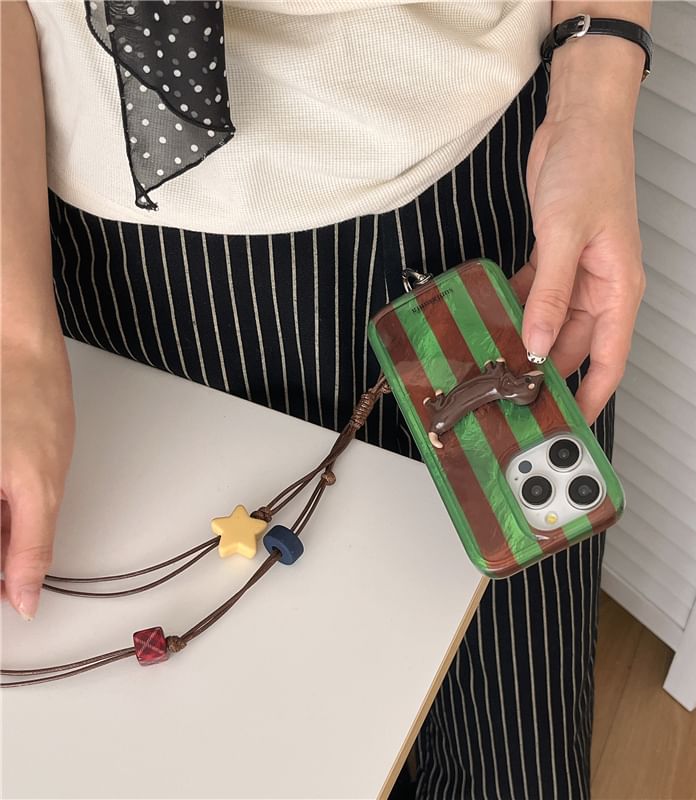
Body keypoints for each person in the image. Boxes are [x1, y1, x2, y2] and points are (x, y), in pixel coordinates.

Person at [1, 1, 649, 796]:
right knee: (239, 749)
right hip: (126, 262)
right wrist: (15, 340)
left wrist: (597, 91)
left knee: (510, 745)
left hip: (467, 188)